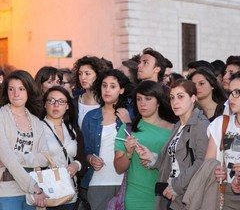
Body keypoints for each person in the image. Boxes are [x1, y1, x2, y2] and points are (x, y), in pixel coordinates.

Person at [135, 79, 209, 210]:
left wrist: (176, 186)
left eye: (180, 97)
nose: (175, 102)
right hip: (172, 196)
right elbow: (174, 162)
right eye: (172, 97)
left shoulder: (201, 125)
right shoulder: (178, 125)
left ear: (193, 98)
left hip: (188, 197)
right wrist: (152, 158)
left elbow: (203, 162)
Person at [114, 80, 178, 210]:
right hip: (135, 196)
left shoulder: (174, 129)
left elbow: (181, 165)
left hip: (166, 195)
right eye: (139, 99)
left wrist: (155, 159)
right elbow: (118, 168)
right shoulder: (128, 129)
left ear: (158, 101)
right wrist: (129, 153)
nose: (142, 103)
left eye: (148, 99)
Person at [81, 69, 133, 210]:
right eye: (104, 85)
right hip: (98, 181)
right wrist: (91, 159)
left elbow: (139, 143)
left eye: (113, 86)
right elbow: (85, 150)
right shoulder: (91, 117)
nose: (107, 90)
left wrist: (128, 123)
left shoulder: (130, 113)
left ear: (121, 90)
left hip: (127, 181)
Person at [0, 70, 49, 209]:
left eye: (21, 89)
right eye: (11, 89)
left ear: (29, 91)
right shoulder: (1, 117)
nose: (16, 94)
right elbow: (6, 156)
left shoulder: (36, 122)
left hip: (33, 193)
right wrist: (33, 186)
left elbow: (45, 157)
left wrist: (17, 157)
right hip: (7, 190)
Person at [41, 86, 87, 210]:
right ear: (45, 104)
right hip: (47, 196)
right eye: (51, 100)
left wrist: (76, 165)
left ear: (67, 106)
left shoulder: (73, 130)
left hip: (70, 195)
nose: (56, 105)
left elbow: (82, 159)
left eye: (61, 101)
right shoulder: (37, 128)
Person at [205, 71, 240, 209]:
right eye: (230, 92)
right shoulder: (221, 123)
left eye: (237, 92)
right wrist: (216, 169)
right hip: (225, 195)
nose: (231, 97)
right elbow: (209, 160)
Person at [72, 56, 109, 129]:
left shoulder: (107, 101)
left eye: (87, 73)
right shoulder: (75, 103)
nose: (82, 77)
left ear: (98, 75)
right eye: (80, 73)